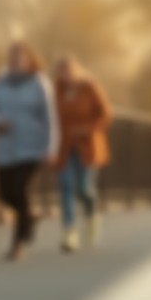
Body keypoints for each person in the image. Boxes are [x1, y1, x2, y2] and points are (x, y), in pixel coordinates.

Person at [0, 41, 58, 262]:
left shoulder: (39, 83)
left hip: (31, 146)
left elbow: (50, 118)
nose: (15, 62)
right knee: (5, 194)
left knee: (20, 190)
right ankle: (30, 216)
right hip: (4, 147)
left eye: (20, 58)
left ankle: (17, 244)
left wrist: (50, 147)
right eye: (12, 58)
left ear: (29, 60)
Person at [52, 55, 112, 252]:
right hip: (65, 147)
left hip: (88, 146)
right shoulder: (57, 90)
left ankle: (92, 214)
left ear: (78, 70)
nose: (66, 75)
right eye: (63, 71)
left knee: (84, 188)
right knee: (66, 186)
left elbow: (105, 114)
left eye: (70, 70)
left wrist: (87, 129)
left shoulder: (89, 87)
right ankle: (69, 232)